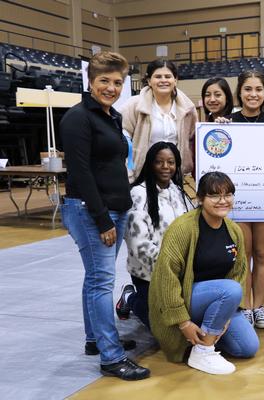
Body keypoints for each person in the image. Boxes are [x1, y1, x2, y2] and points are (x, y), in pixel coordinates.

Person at [60, 51, 150, 380]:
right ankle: (111, 357)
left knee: (95, 279)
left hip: (113, 208)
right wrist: (103, 220)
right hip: (91, 210)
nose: (111, 87)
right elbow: (81, 173)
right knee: (101, 284)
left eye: (117, 82)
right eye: (104, 81)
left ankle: (95, 340)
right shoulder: (78, 118)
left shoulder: (109, 116)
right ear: (90, 81)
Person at [148, 172, 259, 375]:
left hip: (219, 299)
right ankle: (203, 351)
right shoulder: (182, 228)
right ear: (200, 198)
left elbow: (239, 273)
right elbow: (166, 278)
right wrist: (183, 323)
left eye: (228, 195)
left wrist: (225, 315)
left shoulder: (234, 230)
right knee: (231, 290)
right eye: (215, 196)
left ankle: (207, 332)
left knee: (248, 348)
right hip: (185, 301)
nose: (223, 201)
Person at [217, 70, 264, 328]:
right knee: (243, 255)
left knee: (263, 254)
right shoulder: (226, 123)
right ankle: (243, 307)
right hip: (238, 203)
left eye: (258, 90)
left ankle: (259, 307)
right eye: (248, 89)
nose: (253, 94)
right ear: (239, 93)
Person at [118, 142, 193, 328]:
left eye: (171, 162)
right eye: (159, 162)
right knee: (162, 327)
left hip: (180, 270)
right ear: (150, 164)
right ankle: (130, 298)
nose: (166, 167)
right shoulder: (138, 194)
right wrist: (169, 268)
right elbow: (139, 246)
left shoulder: (178, 191)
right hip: (149, 273)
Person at [121, 59, 198, 181]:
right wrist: (129, 170)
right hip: (141, 175)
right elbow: (123, 141)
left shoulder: (188, 109)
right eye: (158, 76)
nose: (163, 80)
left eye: (168, 76)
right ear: (149, 81)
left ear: (175, 80)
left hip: (175, 176)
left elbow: (192, 141)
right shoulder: (133, 105)